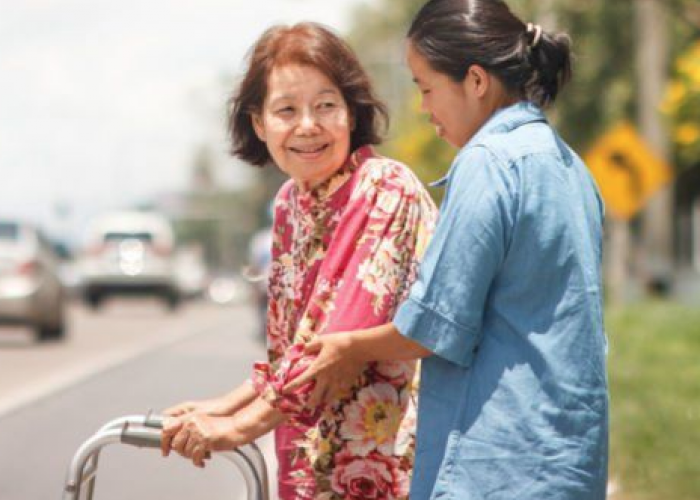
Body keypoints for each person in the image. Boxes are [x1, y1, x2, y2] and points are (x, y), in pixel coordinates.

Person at [287, 1, 609, 499]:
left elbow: (436, 326)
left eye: (426, 87)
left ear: (476, 81)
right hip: (568, 462)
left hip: (497, 463)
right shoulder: (569, 165)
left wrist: (348, 346)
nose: (423, 107)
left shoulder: (487, 163)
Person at [160, 22, 437, 500]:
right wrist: (221, 406)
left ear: (351, 113)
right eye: (287, 110)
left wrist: (236, 429)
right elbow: (293, 348)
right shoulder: (291, 203)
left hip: (389, 460)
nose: (307, 125)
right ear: (259, 124)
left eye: (326, 106)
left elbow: (330, 349)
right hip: (312, 458)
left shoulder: (384, 187)